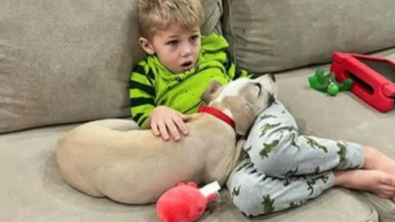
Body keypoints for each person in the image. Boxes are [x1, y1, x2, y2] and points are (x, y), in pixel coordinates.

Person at [129, 0, 395, 217]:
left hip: (259, 113)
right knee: (249, 197)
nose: (188, 51)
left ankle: (362, 155)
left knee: (273, 156)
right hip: (227, 155)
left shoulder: (212, 55)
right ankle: (340, 177)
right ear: (148, 46)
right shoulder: (146, 75)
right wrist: (156, 113)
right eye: (173, 43)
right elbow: (141, 115)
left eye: (194, 38)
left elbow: (251, 85)